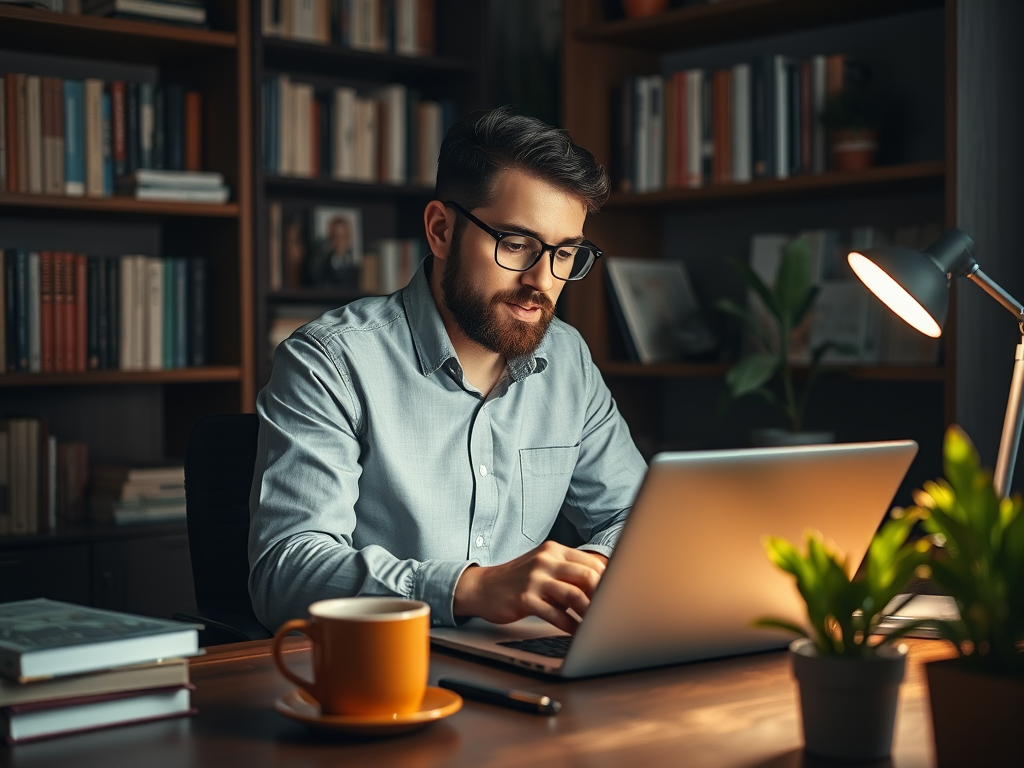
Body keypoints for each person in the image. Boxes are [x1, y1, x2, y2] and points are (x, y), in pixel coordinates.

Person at [249, 106, 647, 634]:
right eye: (517, 244)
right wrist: (471, 590)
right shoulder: (330, 362)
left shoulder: (568, 360)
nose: (542, 281)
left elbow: (636, 519)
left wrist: (588, 573)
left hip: (526, 662)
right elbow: (286, 572)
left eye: (565, 253)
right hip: (388, 674)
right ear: (441, 230)